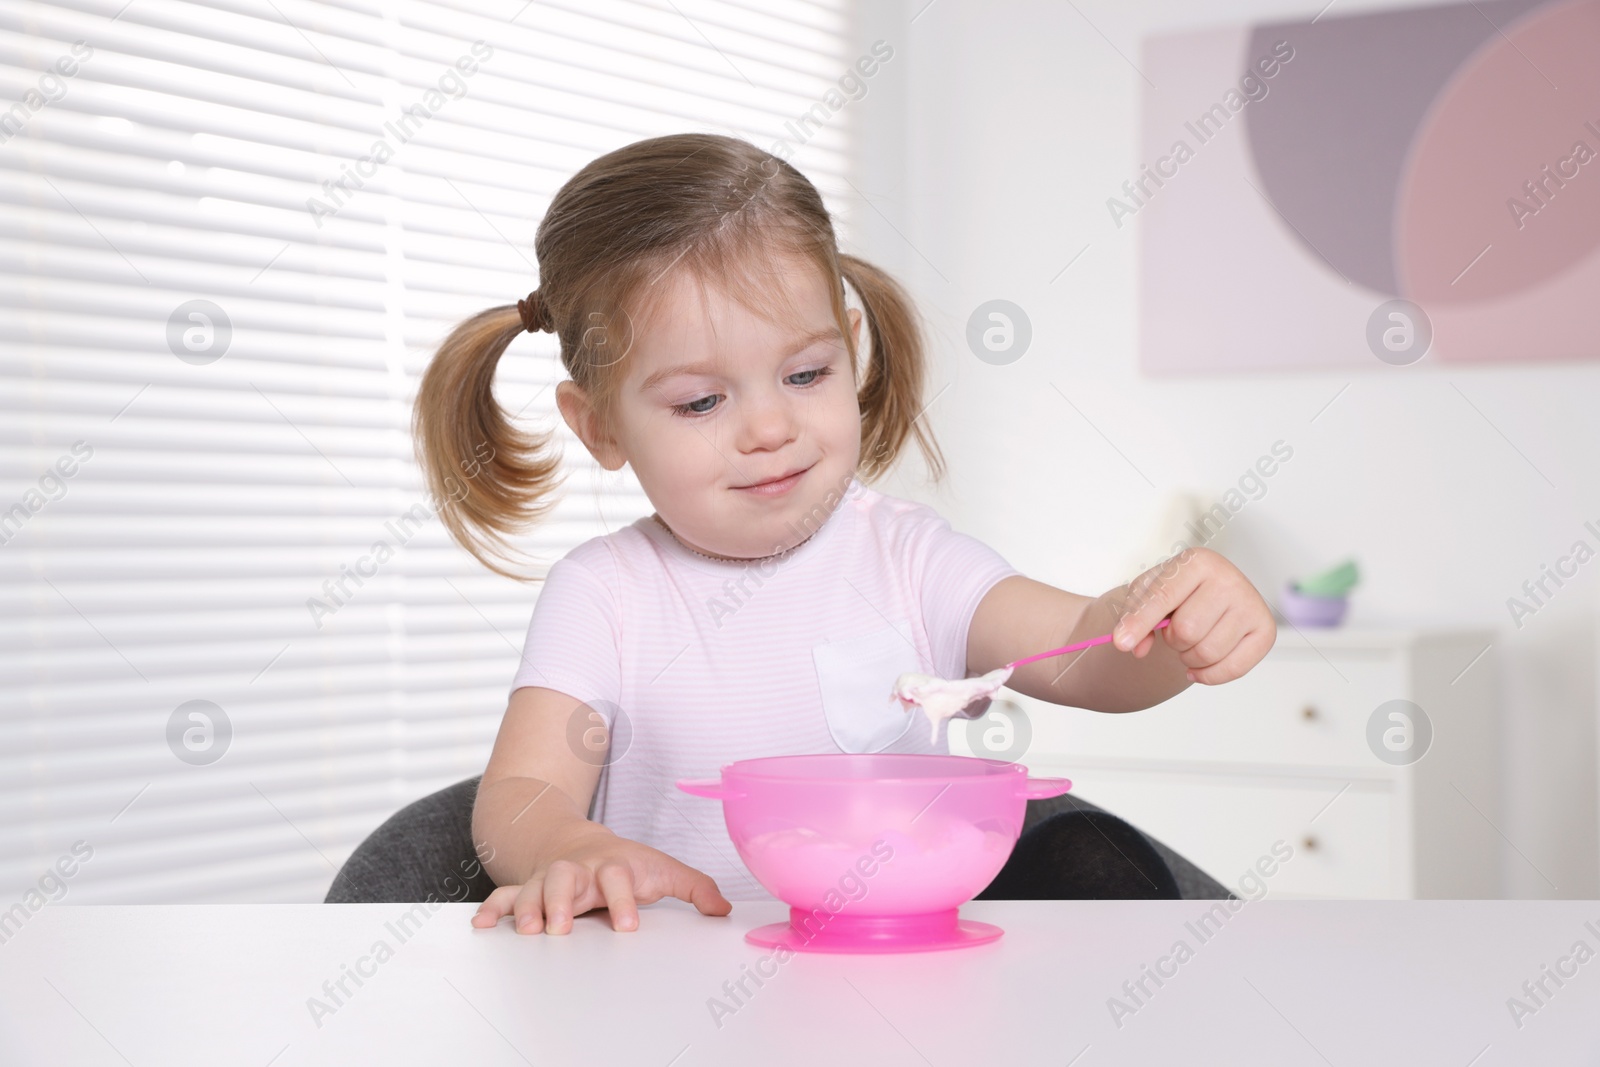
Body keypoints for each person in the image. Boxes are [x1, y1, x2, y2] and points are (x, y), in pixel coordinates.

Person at [410, 133, 1276, 935]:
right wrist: (569, 848)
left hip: (897, 987)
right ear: (598, 425)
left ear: (850, 350)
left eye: (805, 373)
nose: (769, 427)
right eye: (702, 402)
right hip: (665, 999)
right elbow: (520, 792)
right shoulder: (607, 594)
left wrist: (1168, 623)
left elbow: (1086, 652)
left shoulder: (908, 558)